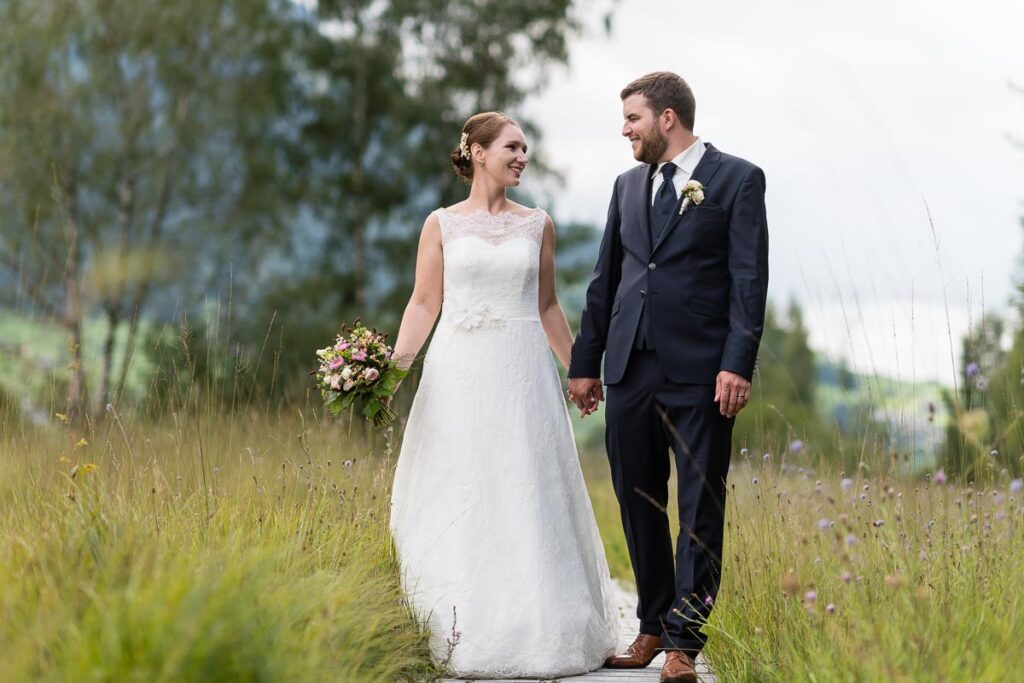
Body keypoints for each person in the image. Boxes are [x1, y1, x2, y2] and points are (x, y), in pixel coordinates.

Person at [388, 111, 618, 678]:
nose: (521, 158)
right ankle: (449, 622)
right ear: (478, 151)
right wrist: (392, 371)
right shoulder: (440, 224)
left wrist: (579, 371)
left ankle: (540, 625)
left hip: (521, 373)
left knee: (525, 485)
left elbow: (546, 306)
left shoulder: (537, 224)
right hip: (457, 371)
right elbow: (424, 302)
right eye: (512, 147)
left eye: (525, 150)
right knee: (460, 485)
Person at [567, 71, 769, 683]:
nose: (624, 129)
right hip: (630, 366)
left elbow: (748, 280)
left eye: (632, 118)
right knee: (636, 496)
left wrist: (738, 361)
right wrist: (585, 364)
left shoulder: (737, 178)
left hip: (704, 369)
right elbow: (606, 281)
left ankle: (685, 641)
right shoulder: (627, 186)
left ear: (667, 118)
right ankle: (652, 625)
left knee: (699, 503)